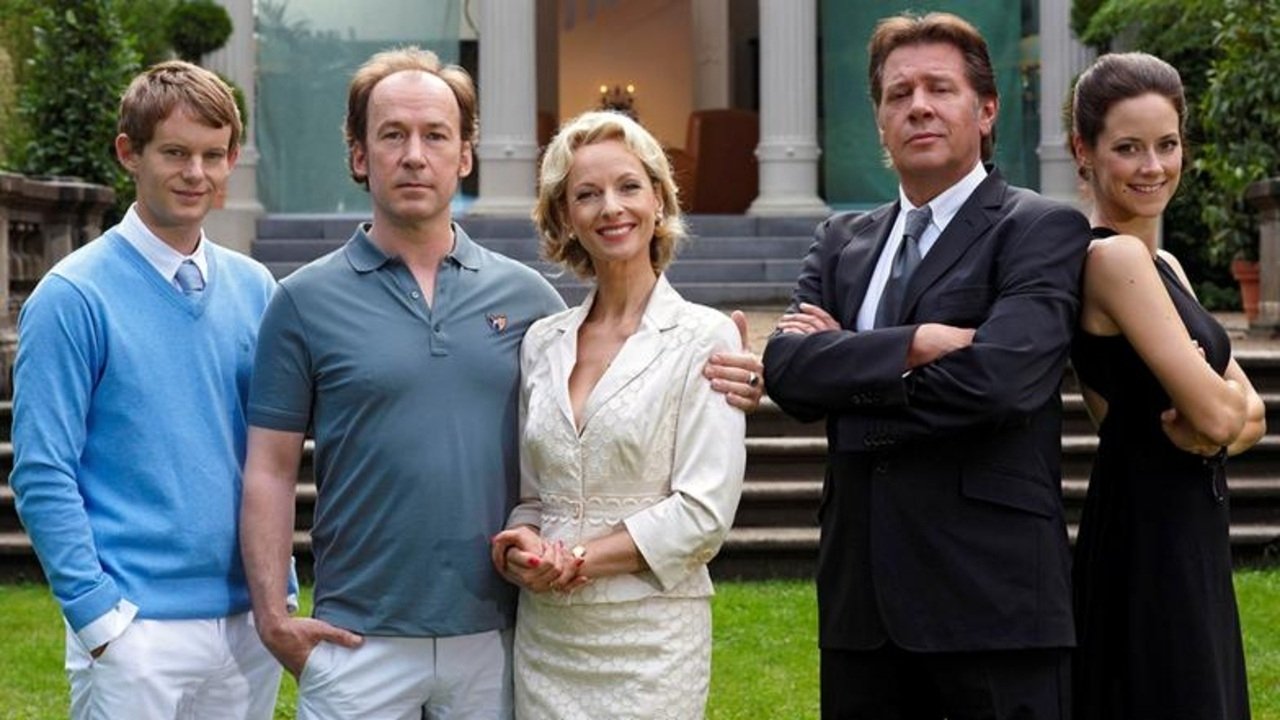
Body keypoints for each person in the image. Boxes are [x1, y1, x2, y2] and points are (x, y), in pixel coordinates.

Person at [239, 48, 762, 719]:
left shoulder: (528, 304)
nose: (414, 156)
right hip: (357, 638)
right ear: (360, 154)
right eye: (393, 135)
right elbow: (270, 469)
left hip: (497, 634)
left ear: (465, 155)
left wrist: (740, 377)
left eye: (435, 135)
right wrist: (273, 615)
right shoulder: (302, 301)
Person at [763, 12, 1092, 719]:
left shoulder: (1039, 228)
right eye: (898, 93)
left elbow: (1000, 382)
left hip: (992, 604)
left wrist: (847, 383)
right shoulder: (840, 241)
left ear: (987, 110)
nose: (918, 106)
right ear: (880, 121)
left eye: (940, 88)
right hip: (861, 607)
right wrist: (913, 344)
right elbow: (787, 369)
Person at [10, 60, 287, 719]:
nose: (196, 173)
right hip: (135, 631)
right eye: (175, 153)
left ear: (232, 160)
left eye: (213, 155)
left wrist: (278, 594)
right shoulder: (72, 296)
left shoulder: (257, 290)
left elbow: (273, 455)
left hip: (248, 624)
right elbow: (42, 471)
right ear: (128, 154)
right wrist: (99, 619)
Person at [488, 110, 747, 719]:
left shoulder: (705, 337)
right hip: (548, 639)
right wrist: (521, 548)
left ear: (659, 200)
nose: (611, 207)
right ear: (564, 217)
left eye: (628, 186)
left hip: (652, 641)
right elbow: (535, 497)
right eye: (587, 194)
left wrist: (573, 559)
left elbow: (703, 514)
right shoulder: (542, 342)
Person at [1067, 52, 1264, 720]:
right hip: (1150, 533)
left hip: (1185, 519)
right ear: (1084, 151)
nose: (1153, 166)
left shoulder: (1165, 264)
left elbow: (1250, 416)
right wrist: (1219, 414)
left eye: (1167, 144)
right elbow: (1223, 417)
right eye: (1128, 147)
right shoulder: (1112, 258)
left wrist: (1219, 413)